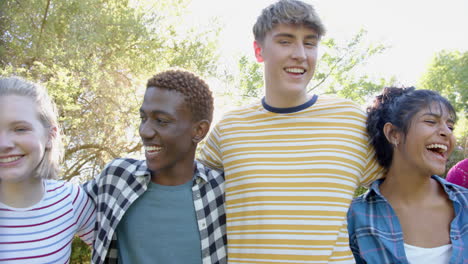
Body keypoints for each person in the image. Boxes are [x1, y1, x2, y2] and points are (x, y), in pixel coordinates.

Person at [198, 0, 383, 262]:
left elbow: (402, 192)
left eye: (309, 43)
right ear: (259, 50)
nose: (300, 54)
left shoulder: (351, 120)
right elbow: (188, 198)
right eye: (285, 41)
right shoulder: (229, 129)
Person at [83, 69, 226, 264]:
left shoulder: (222, 190)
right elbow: (60, 204)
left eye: (161, 121)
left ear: (199, 130)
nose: (145, 131)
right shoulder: (117, 178)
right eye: (143, 118)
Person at [347, 87, 468, 263]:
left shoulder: (465, 203)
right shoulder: (354, 218)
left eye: (450, 126)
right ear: (393, 134)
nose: (447, 132)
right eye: (431, 121)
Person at [0, 77, 96, 263]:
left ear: (50, 136)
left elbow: (116, 249)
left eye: (20, 129)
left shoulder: (70, 199)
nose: (3, 144)